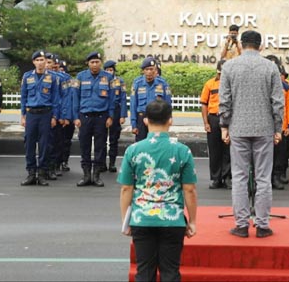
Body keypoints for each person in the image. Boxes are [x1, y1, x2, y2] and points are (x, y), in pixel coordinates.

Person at [118, 100, 197, 282]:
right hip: (172, 220)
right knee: (170, 272)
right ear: (170, 120)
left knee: (144, 272)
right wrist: (192, 221)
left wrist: (126, 220)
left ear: (145, 121)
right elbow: (189, 190)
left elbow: (126, 188)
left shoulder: (133, 150)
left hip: (142, 218)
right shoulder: (182, 151)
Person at [219, 30, 284, 239]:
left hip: (238, 128)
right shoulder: (271, 67)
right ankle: (263, 224)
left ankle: (241, 224)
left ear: (242, 43)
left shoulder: (229, 66)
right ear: (260, 45)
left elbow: (224, 100)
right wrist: (277, 128)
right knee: (263, 177)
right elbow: (278, 101)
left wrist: (224, 125)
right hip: (264, 128)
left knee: (239, 177)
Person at [20, 50, 61, 186]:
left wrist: (54, 116)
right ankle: (31, 173)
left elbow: (56, 98)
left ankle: (42, 173)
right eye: (37, 60)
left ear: (46, 61)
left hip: (46, 114)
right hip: (31, 114)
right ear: (33, 62)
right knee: (29, 143)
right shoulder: (27, 77)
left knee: (45, 144)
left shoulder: (53, 78)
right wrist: (23, 116)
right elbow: (24, 97)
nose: (40, 63)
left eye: (42, 60)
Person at [74, 52, 115, 187]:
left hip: (101, 117)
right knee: (84, 145)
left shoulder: (108, 77)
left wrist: (110, 116)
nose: (95, 64)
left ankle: (96, 175)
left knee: (100, 147)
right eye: (92, 62)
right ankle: (86, 176)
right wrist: (76, 117)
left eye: (97, 62)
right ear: (88, 63)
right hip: (85, 117)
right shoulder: (80, 76)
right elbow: (75, 98)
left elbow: (112, 99)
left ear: (101, 62)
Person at [200, 60, 231, 189]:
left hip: (227, 119)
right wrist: (206, 122)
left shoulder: (231, 85)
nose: (221, 76)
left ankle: (227, 177)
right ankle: (215, 178)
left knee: (228, 151)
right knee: (214, 150)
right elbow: (204, 104)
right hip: (213, 118)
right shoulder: (210, 84)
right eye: (219, 73)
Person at [130, 58, 172, 142]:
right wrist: (134, 124)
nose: (149, 72)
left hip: (158, 118)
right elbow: (133, 104)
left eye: (151, 69)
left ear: (155, 70)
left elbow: (168, 103)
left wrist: (168, 119)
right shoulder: (137, 83)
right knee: (140, 144)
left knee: (157, 143)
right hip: (141, 118)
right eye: (147, 69)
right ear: (143, 71)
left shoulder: (162, 83)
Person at [272, 63, 289, 189]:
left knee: (280, 155)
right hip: (267, 128)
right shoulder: (266, 86)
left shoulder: (287, 89)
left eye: (281, 75)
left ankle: (277, 177)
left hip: (281, 127)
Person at [104, 60, 127, 173]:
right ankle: (101, 163)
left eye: (111, 70)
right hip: (103, 110)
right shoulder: (101, 80)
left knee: (114, 139)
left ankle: (112, 163)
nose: (109, 72)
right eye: (107, 70)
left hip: (116, 111)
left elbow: (123, 99)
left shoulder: (119, 82)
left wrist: (123, 115)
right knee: (102, 139)